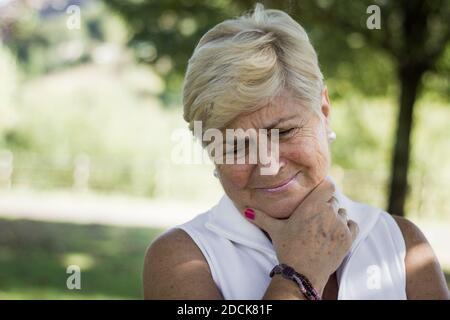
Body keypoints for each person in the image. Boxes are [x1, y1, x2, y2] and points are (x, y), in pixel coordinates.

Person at [143, 3, 449, 299]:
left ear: (324, 110)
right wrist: (299, 273)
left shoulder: (403, 245)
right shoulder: (181, 258)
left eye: (284, 132)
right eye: (237, 145)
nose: (270, 164)